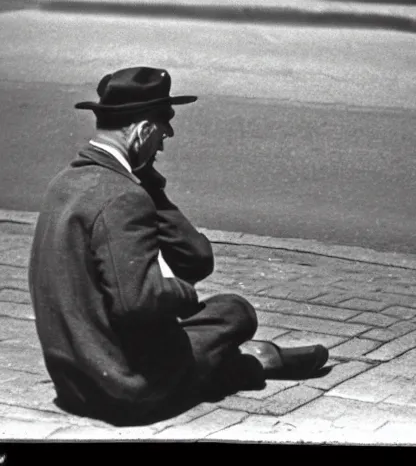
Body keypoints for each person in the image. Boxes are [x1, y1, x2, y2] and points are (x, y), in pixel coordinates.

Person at [29, 66, 329, 425]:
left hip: (76, 381)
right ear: (141, 131)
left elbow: (195, 258)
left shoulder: (65, 183)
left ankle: (238, 358)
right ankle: (254, 361)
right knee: (235, 311)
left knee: (209, 323)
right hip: (125, 388)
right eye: (164, 123)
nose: (168, 134)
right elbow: (137, 302)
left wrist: (148, 181)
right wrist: (183, 295)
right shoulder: (122, 197)